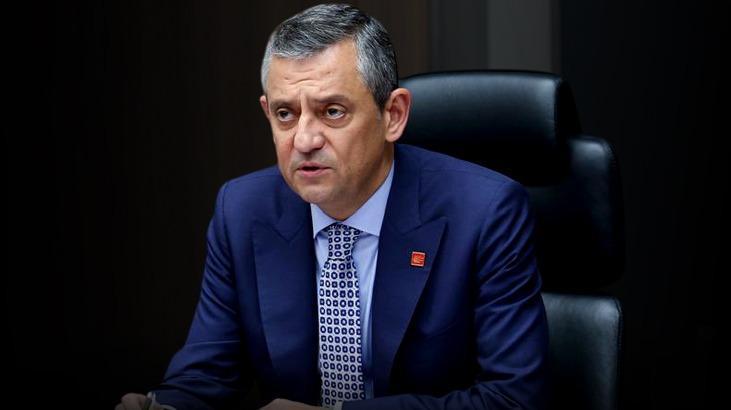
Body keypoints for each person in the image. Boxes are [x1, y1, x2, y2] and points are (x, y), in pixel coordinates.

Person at [117, 4, 548, 410]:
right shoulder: (243, 210)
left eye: (333, 111)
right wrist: (165, 405)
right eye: (285, 114)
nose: (304, 139)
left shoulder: (485, 212)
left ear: (393, 115)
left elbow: (513, 399)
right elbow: (207, 374)